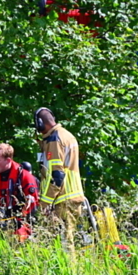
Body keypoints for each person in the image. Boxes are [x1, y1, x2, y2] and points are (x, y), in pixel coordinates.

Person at [35, 108, 85, 254]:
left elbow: (57, 176)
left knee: (64, 246)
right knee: (65, 243)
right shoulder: (66, 135)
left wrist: (45, 203)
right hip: (71, 197)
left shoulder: (54, 140)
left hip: (63, 199)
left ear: (40, 123)